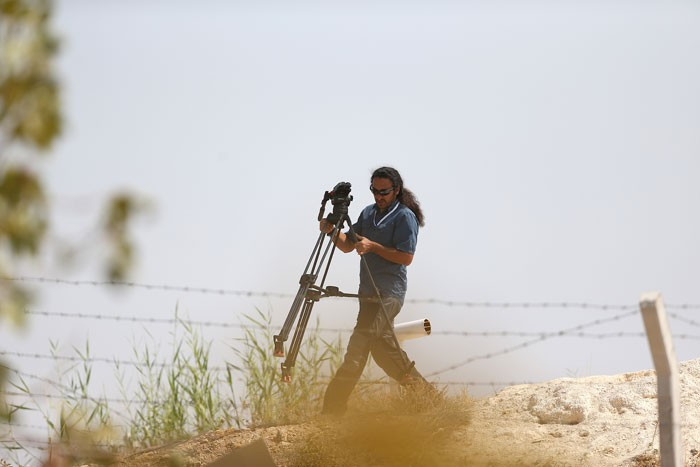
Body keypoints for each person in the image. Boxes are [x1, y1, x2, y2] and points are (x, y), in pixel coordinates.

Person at [319, 166, 430, 416]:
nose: (379, 196)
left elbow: (406, 257)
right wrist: (332, 232)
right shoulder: (368, 213)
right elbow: (348, 245)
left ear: (396, 190)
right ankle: (428, 398)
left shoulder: (404, 217)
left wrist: (373, 247)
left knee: (357, 348)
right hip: (367, 293)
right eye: (374, 191)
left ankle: (331, 412)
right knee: (383, 351)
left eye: (384, 192)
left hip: (389, 294)